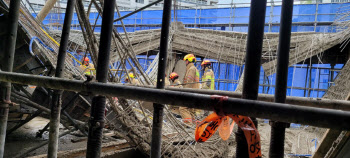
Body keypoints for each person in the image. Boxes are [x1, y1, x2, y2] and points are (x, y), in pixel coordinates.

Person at [181, 54, 201, 125]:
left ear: (188, 60)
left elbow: (189, 81)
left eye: (186, 61)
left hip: (190, 92)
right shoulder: (195, 69)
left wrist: (185, 92)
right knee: (191, 110)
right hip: (195, 92)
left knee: (182, 108)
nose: (185, 63)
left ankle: (188, 124)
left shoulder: (191, 69)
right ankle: (193, 125)